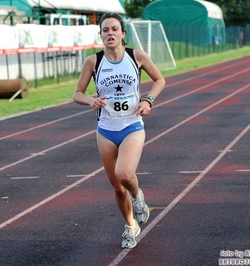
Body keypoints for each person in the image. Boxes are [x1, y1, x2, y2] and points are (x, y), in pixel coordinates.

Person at [73, 13, 165, 249]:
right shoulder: (93, 62)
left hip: (132, 125)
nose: (110, 33)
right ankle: (130, 225)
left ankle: (138, 197)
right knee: (116, 186)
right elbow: (77, 93)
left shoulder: (137, 56)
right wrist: (89, 100)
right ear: (101, 35)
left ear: (123, 34)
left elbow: (160, 80)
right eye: (105, 30)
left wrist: (148, 101)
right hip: (105, 129)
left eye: (114, 29)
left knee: (124, 174)